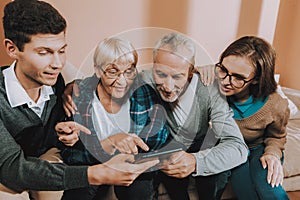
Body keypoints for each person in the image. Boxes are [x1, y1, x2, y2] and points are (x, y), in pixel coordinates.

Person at [0, 0, 158, 199]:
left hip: (38, 162)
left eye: (62, 50)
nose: (57, 64)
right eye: (44, 52)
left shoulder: (55, 82)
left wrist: (62, 134)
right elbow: (13, 169)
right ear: (12, 49)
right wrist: (98, 173)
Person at [63, 32, 248, 200]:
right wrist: (73, 85)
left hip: (195, 150)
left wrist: (195, 162)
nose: (167, 86)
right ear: (153, 68)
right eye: (161, 74)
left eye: (177, 77)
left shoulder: (210, 91)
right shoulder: (144, 79)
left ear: (191, 72)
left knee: (213, 178)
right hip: (161, 152)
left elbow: (238, 147)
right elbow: (109, 75)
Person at [56, 36, 169, 200]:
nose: (122, 81)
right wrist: (108, 144)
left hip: (132, 163)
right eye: (113, 72)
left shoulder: (144, 92)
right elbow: (70, 154)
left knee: (139, 191)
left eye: (129, 71)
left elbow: (160, 135)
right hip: (93, 165)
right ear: (98, 70)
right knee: (78, 193)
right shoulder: (79, 97)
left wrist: (132, 149)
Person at [200, 36, 290, 200]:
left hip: (259, 147)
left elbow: (276, 136)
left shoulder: (276, 105)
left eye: (238, 77)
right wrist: (200, 69)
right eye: (223, 70)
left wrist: (272, 154)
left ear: (256, 79)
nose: (226, 81)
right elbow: (178, 75)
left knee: (269, 186)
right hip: (232, 148)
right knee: (245, 190)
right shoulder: (216, 87)